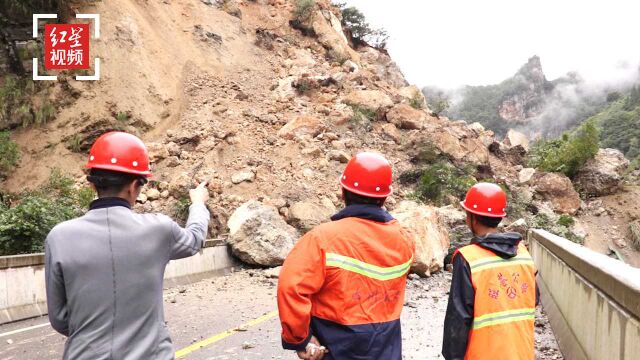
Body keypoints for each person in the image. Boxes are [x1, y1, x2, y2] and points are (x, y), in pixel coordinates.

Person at [45, 131, 210, 360]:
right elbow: (194, 239)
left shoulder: (59, 237)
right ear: (134, 186)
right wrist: (198, 204)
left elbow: (60, 318)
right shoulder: (159, 230)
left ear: (93, 185)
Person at [277, 152, 415, 360]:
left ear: (343, 192)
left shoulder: (321, 238)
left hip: (335, 348)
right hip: (387, 348)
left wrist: (301, 339)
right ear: (385, 197)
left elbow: (291, 288)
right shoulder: (404, 239)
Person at [442, 183, 537, 360]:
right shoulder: (524, 254)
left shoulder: (467, 258)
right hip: (521, 353)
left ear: (473, 218)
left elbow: (458, 319)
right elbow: (533, 298)